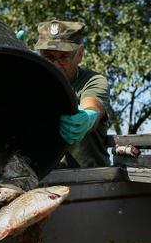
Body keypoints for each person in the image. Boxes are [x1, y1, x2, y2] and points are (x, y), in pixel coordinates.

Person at [35, 20, 113, 168]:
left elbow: (93, 106)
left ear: (80, 54)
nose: (56, 65)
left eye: (64, 57)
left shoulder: (92, 80)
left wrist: (88, 117)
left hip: (92, 180)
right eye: (48, 57)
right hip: (43, 179)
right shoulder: (32, 84)